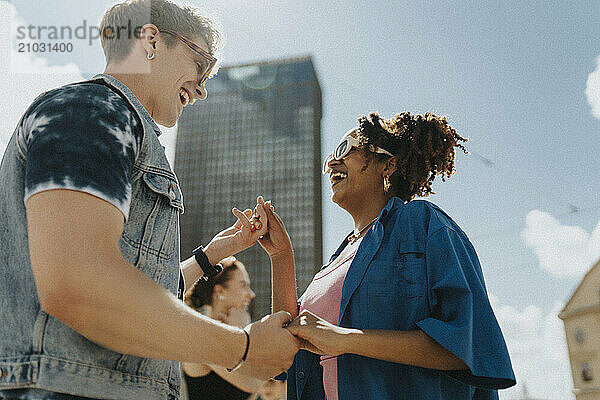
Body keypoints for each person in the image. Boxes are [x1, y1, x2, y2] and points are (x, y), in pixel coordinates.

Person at [0, 1, 298, 399]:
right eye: (201, 65)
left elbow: (140, 290)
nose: (203, 88)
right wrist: (242, 349)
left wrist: (214, 253)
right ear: (151, 40)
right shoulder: (93, 111)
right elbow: (80, 283)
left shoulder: (121, 126)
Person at [255, 112, 517, 399]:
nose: (332, 162)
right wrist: (281, 257)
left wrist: (344, 338)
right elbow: (284, 351)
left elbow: (470, 345)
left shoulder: (423, 222)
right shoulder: (334, 262)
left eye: (346, 149)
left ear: (387, 164)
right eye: (331, 155)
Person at [182, 257, 265, 400]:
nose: (251, 294)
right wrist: (242, 333)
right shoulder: (202, 339)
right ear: (220, 291)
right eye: (243, 285)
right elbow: (254, 383)